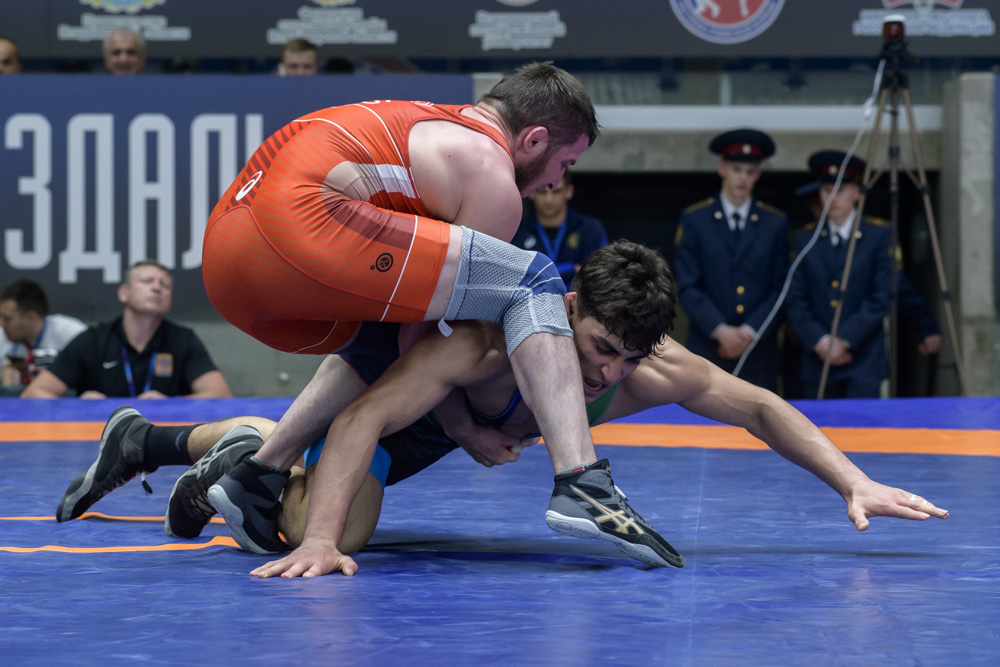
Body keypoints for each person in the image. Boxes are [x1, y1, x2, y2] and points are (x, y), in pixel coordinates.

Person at [56, 242, 948, 576]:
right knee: (333, 534)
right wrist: (321, 541)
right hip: (383, 415)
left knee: (323, 494)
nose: (605, 374)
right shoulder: (484, 347)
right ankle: (227, 455)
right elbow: (363, 420)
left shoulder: (645, 364)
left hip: (430, 433)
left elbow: (758, 406)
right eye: (597, 348)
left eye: (627, 358)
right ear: (565, 313)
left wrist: (851, 480)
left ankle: (159, 442)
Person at [202, 62, 643, 560]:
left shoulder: (438, 124)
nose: (554, 182)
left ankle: (257, 474)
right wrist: (462, 429)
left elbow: (407, 334)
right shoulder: (492, 177)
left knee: (385, 338)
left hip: (228, 251)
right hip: (297, 223)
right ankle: (581, 479)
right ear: (535, 140)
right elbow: (427, 345)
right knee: (534, 278)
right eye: (565, 164)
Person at [673, 129, 788, 392]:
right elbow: (687, 284)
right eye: (737, 170)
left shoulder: (774, 223)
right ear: (722, 168)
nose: (743, 178)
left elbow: (781, 287)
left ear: (758, 174)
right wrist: (719, 330)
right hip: (708, 344)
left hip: (758, 349)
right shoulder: (696, 219)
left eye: (750, 172)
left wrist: (750, 331)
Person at [22, 260, 231, 399]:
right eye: (147, 281)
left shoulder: (182, 340)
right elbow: (33, 394)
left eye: (165, 285)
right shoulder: (93, 340)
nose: (157, 288)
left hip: (163, 438)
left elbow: (220, 394)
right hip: (99, 438)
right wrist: (79, 406)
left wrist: (172, 403)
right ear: (124, 293)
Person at [786, 151, 892, 399]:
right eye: (826, 190)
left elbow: (882, 295)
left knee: (864, 423)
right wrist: (821, 340)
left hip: (863, 357)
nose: (832, 197)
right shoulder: (805, 239)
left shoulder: (879, 235)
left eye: (840, 190)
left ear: (857, 193)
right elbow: (794, 298)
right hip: (817, 357)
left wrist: (844, 340)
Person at [511, 170, 608, 288]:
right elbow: (513, 278)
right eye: (542, 192)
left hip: (578, 299)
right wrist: (571, 269)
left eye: (556, 191)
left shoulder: (591, 228)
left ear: (569, 191)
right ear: (531, 192)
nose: (549, 200)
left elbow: (599, 277)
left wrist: (537, 275)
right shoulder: (515, 231)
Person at [0, 279, 87, 395]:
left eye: (7, 319)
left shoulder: (72, 334)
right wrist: (4, 385)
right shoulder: (2, 338)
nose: (1, 323)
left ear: (31, 318)